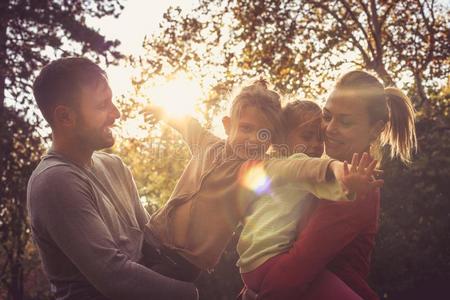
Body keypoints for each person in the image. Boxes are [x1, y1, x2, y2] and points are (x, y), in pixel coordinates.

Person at [144, 80, 372, 282]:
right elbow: (187, 124)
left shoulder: (256, 169)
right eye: (246, 128)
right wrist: (161, 111)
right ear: (227, 125)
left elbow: (299, 168)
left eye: (265, 134)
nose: (254, 139)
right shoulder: (207, 144)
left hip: (183, 265)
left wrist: (339, 170)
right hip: (152, 236)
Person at [27, 57, 198, 300]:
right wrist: (190, 294)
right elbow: (114, 276)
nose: (115, 114)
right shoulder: (54, 182)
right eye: (102, 106)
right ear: (65, 117)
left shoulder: (114, 166)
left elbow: (152, 241)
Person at [253, 70, 416, 300]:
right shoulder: (320, 170)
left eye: (345, 121)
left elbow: (296, 270)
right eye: (327, 116)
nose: (329, 129)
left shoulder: (357, 187)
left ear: (376, 129)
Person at [237, 100, 382, 299]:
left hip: (250, 265)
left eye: (320, 137)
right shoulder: (297, 166)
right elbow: (320, 178)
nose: (315, 144)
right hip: (271, 264)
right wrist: (348, 185)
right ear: (282, 139)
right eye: (307, 136)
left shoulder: (271, 167)